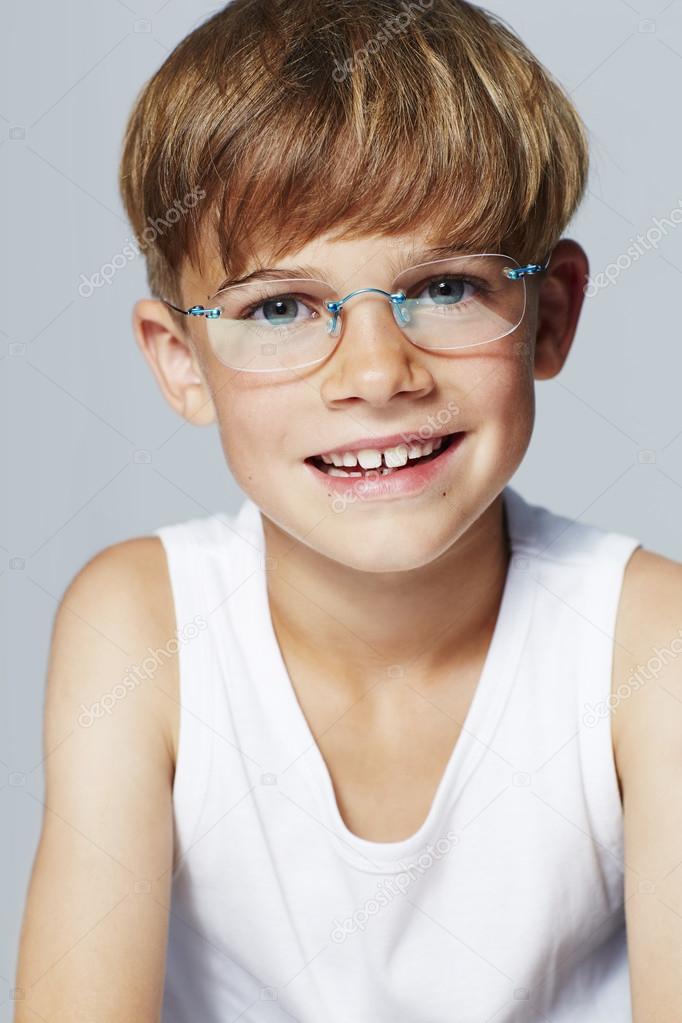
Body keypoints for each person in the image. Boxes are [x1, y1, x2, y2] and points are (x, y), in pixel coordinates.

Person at [14, 1, 682, 1020]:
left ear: (547, 316)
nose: (376, 373)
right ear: (179, 362)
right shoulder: (141, 627)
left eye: (447, 287)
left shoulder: (647, 641)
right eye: (279, 308)